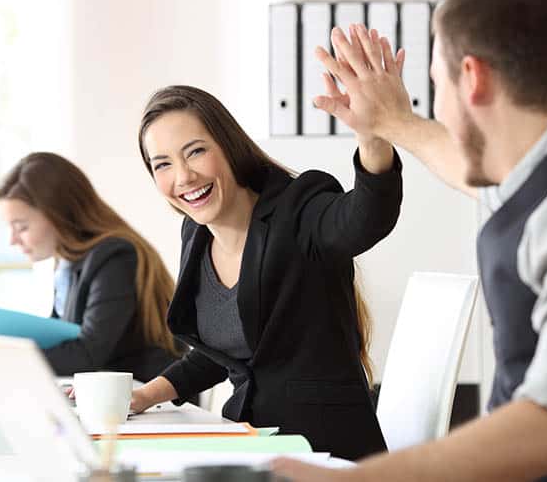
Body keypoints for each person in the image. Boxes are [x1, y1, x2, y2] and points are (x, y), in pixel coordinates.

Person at [273, 0, 547, 482]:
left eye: (435, 84)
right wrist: (390, 122)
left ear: (472, 77)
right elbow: (464, 164)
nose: (436, 106)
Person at [130, 84, 402, 460]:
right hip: (254, 450)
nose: (183, 177)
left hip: (325, 454)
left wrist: (372, 137)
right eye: (162, 164)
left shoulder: (299, 209)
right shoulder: (195, 235)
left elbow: (366, 218)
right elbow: (221, 351)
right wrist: (145, 395)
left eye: (195, 152)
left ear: (228, 146)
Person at [0, 152, 183, 383]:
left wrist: (5, 361)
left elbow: (87, 353)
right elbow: (60, 338)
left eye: (21, 227)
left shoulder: (115, 257)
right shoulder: (67, 263)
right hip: (109, 396)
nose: (12, 240)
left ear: (59, 215)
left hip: (149, 399)